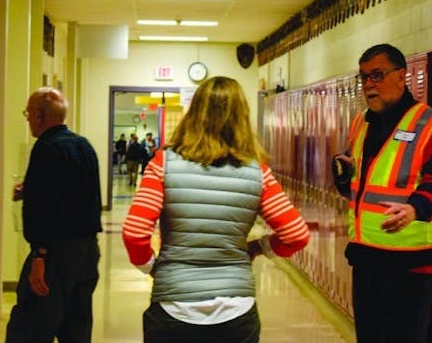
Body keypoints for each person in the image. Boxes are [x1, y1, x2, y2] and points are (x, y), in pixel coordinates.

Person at [122, 76, 310, 342]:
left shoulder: (163, 164)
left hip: (174, 308)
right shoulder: (258, 173)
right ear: (242, 117)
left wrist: (151, 267)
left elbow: (134, 232)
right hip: (236, 311)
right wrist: (259, 247)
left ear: (194, 113)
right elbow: (296, 234)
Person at [332, 44, 432, 343]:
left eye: (377, 75)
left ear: (402, 77)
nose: (369, 85)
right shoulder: (361, 123)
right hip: (366, 258)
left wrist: (414, 209)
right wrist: (344, 174)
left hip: (411, 264)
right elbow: (362, 185)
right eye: (363, 78)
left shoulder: (431, 124)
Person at [6, 87, 102, 343]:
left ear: (39, 115)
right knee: (76, 327)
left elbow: (42, 209)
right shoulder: (84, 146)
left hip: (55, 254)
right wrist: (30, 189)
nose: (27, 119)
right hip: (87, 252)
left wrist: (40, 255)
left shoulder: (45, 148)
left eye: (28, 113)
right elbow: (75, 194)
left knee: (30, 325)